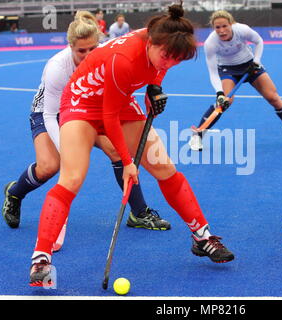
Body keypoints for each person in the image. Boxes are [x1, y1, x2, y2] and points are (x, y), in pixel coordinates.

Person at [29, 2, 234, 287]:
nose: (169, 63)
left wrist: (154, 88)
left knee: (164, 167)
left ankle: (202, 236)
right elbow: (109, 117)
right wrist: (127, 163)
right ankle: (41, 259)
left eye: (176, 60)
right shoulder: (124, 58)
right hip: (82, 102)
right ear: (152, 42)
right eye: (166, 57)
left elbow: (157, 69)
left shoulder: (163, 42)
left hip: (120, 98)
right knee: (72, 177)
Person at [2, 11, 170, 251]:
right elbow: (50, 114)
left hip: (89, 110)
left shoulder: (109, 55)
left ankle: (139, 212)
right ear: (70, 46)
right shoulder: (57, 68)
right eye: (82, 51)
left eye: (93, 49)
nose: (88, 55)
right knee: (50, 165)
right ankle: (15, 192)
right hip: (51, 113)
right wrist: (68, 152)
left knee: (115, 149)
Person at [188, 10, 282, 151]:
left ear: (231, 24)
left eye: (225, 26)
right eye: (217, 27)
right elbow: (213, 72)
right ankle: (197, 135)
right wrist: (219, 93)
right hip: (228, 70)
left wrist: (256, 61)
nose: (221, 31)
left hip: (250, 65)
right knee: (225, 102)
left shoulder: (242, 29)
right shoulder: (210, 43)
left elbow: (259, 41)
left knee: (273, 98)